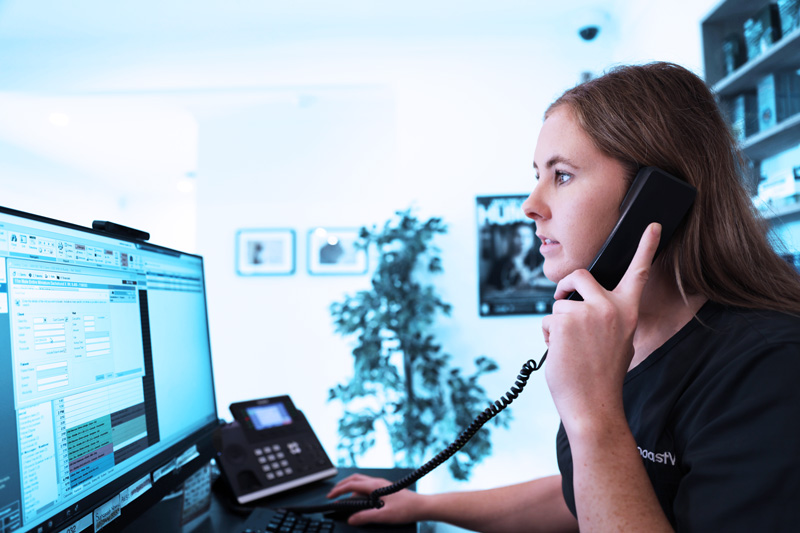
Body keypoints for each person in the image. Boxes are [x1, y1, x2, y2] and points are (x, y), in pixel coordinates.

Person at [326, 62, 800, 532]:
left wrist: (591, 411)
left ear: (656, 197)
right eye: (537, 174)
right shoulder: (624, 338)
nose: (530, 205)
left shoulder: (769, 368)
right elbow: (592, 491)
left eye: (563, 175)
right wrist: (424, 506)